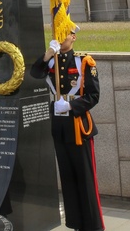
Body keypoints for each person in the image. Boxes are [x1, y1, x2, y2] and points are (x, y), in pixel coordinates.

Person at [29, 26, 104, 231]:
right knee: (68, 178)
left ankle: (94, 226)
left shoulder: (83, 61)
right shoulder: (51, 60)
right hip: (59, 126)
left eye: (65, 35)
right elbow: (35, 72)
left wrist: (71, 105)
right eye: (57, 35)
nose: (61, 39)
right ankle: (76, 223)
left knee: (85, 178)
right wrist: (48, 54)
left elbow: (93, 96)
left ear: (73, 37)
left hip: (78, 125)